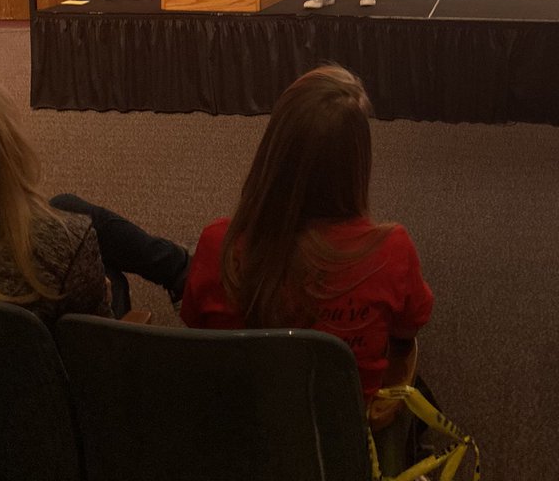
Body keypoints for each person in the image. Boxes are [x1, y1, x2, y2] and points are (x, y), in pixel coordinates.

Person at [180, 65, 433, 403]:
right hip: (339, 431)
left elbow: (197, 333)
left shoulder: (219, 245)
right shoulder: (391, 251)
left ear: (273, 149)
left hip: (240, 422)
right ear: (358, 161)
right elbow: (407, 329)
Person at [0, 69, 189, 326]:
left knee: (66, 206)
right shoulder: (61, 243)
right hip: (54, 349)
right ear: (6, 150)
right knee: (107, 270)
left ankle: (178, 268)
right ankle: (180, 270)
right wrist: (101, 292)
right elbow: (97, 340)